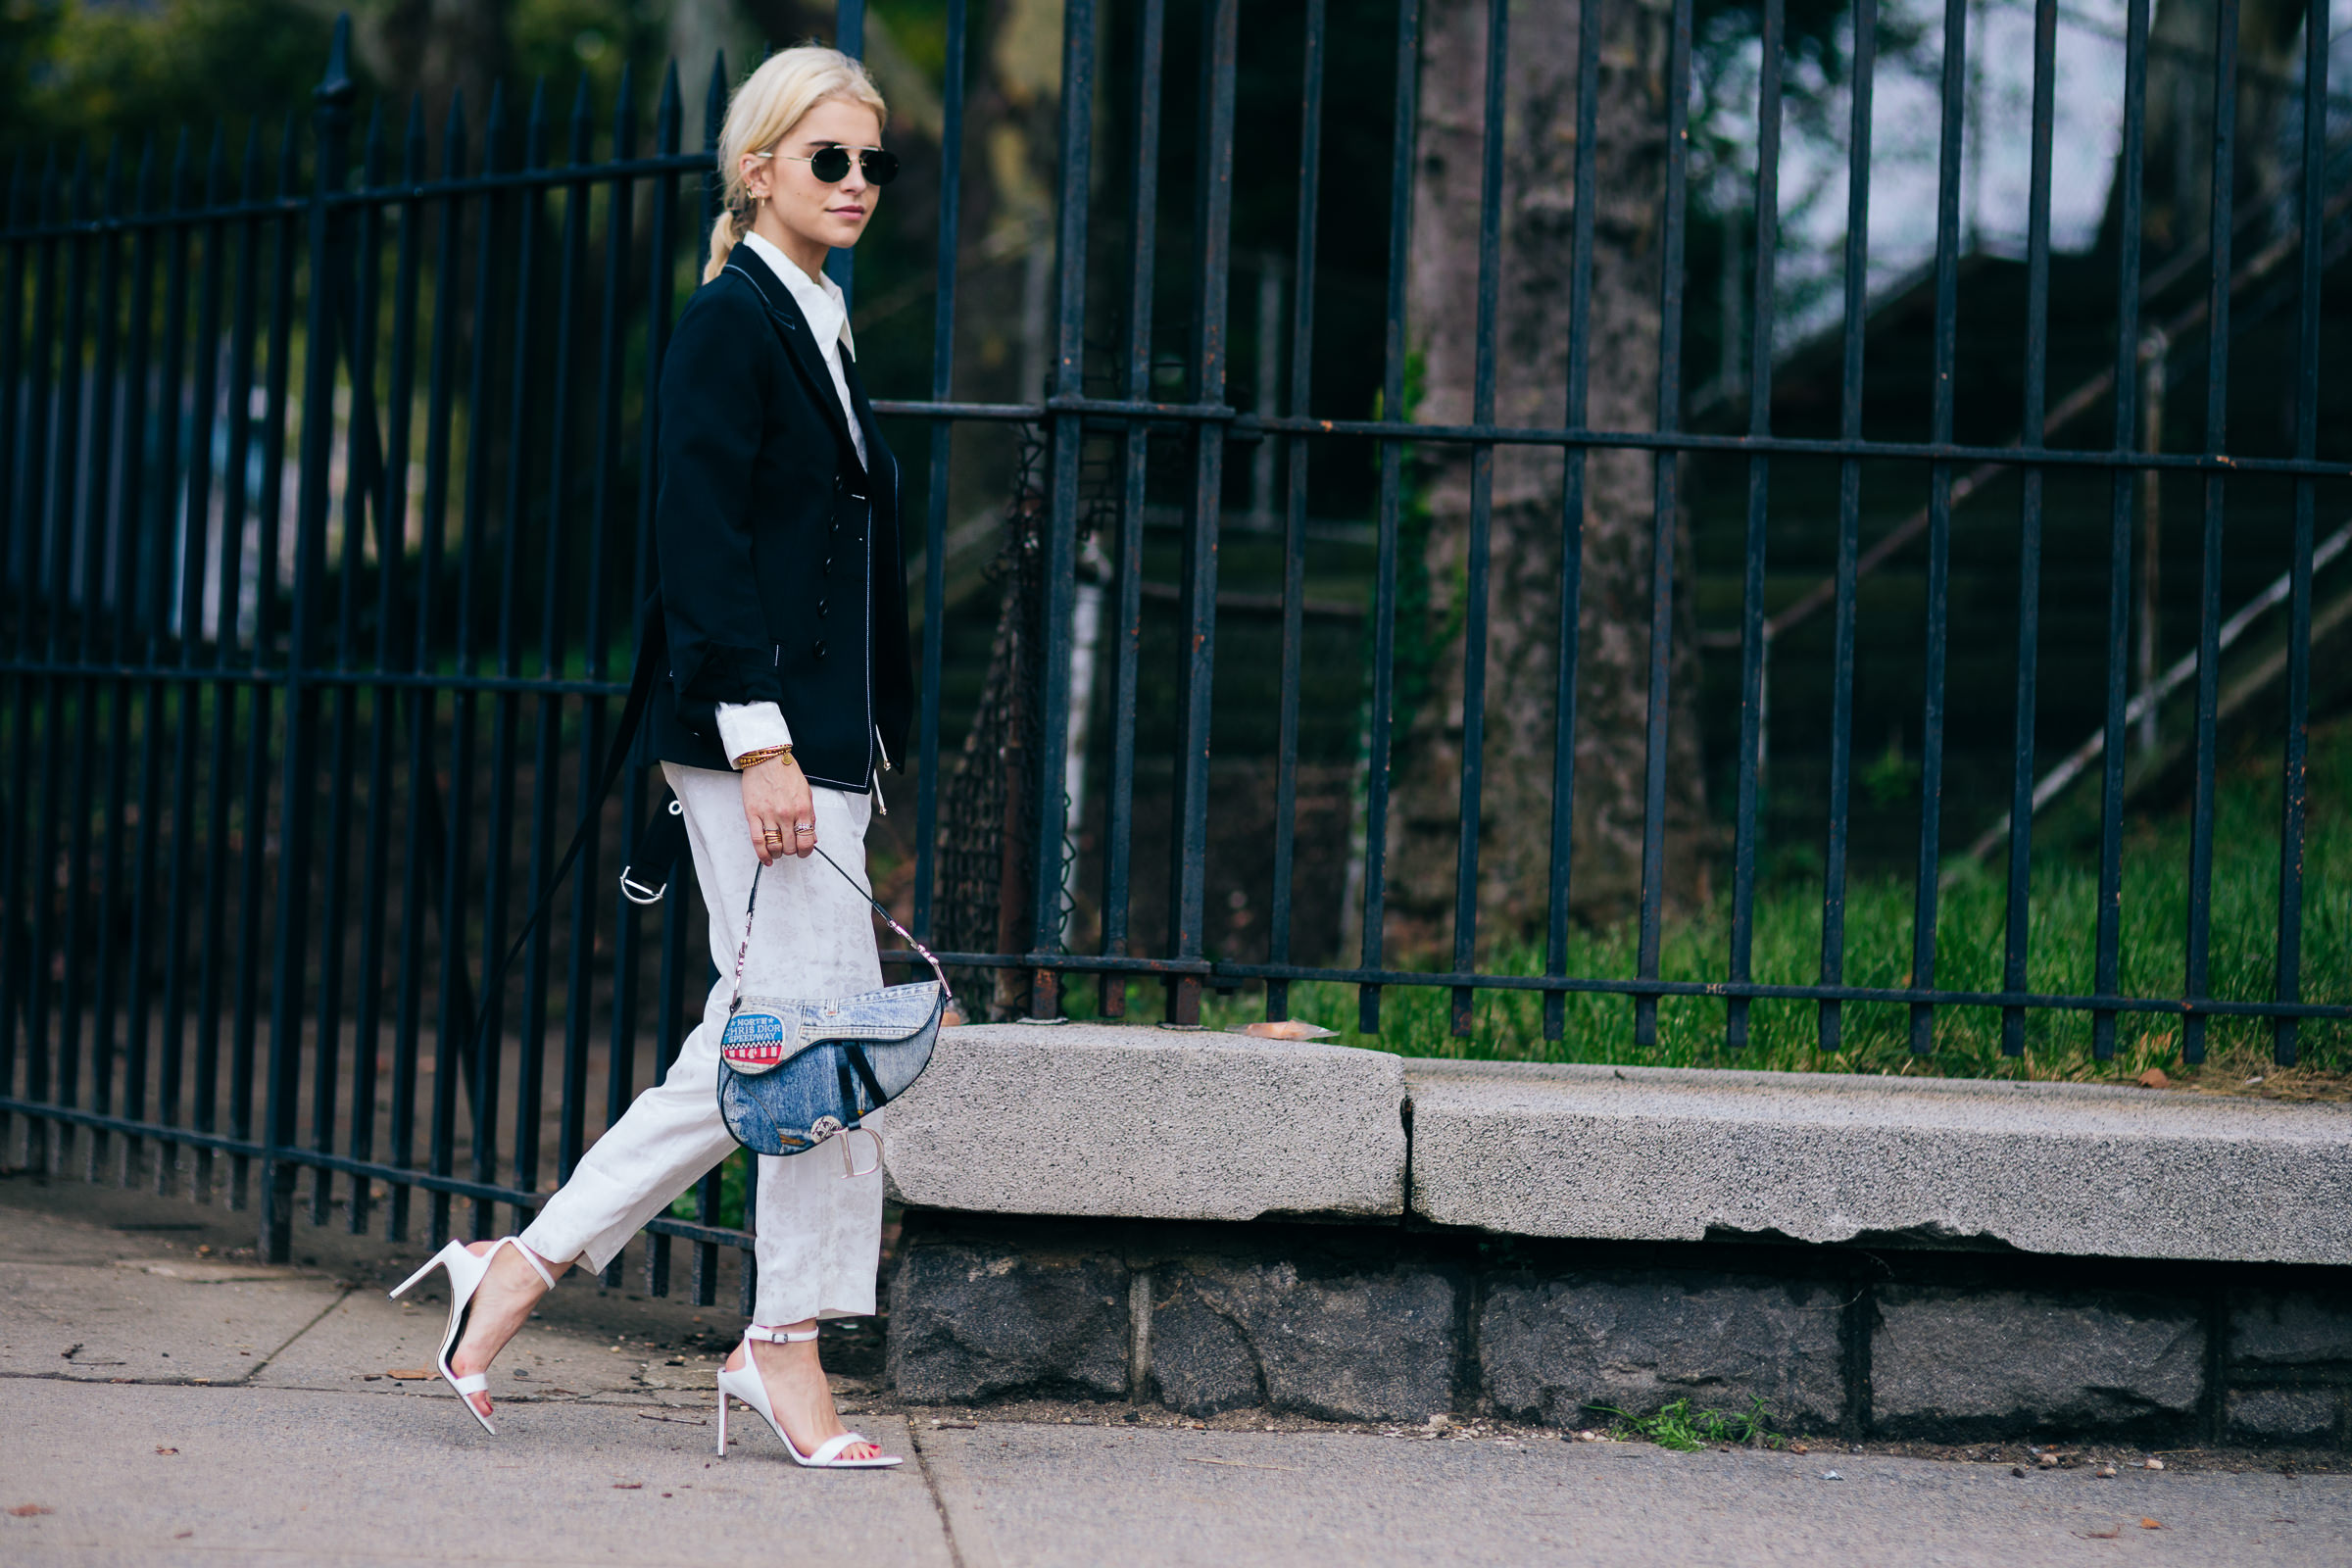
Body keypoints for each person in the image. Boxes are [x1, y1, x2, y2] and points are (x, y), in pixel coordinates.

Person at [388, 44, 912, 1471]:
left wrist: (858, 743)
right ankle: (778, 1342)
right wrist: (764, 744)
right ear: (759, 169)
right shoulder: (730, 323)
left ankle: (522, 1269)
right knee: (805, 1046)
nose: (858, 183)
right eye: (830, 160)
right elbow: (700, 547)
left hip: (817, 743)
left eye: (873, 162)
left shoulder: (815, 318)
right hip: (759, 743)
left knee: (772, 1038)